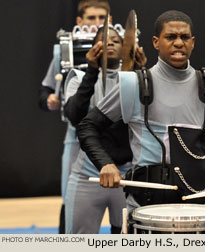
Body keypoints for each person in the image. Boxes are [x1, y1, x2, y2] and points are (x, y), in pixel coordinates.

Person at [77, 10, 205, 225]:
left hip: (198, 208)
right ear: (156, 42)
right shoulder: (134, 84)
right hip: (145, 209)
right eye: (171, 37)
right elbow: (87, 127)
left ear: (193, 42)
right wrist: (105, 164)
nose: (179, 43)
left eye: (184, 37)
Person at [63, 24, 146, 233]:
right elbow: (75, 117)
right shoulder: (78, 78)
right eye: (103, 40)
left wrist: (140, 71)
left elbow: (147, 116)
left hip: (128, 175)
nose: (109, 43)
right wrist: (91, 71)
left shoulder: (139, 79)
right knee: (79, 240)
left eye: (116, 41)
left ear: (127, 48)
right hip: (87, 174)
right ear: (92, 48)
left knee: (128, 238)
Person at [38, 0, 111, 233]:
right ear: (79, 21)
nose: (97, 23)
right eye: (91, 18)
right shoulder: (64, 49)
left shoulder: (120, 46)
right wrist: (49, 99)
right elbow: (46, 90)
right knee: (70, 198)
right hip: (76, 139)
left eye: (102, 18)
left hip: (115, 140)